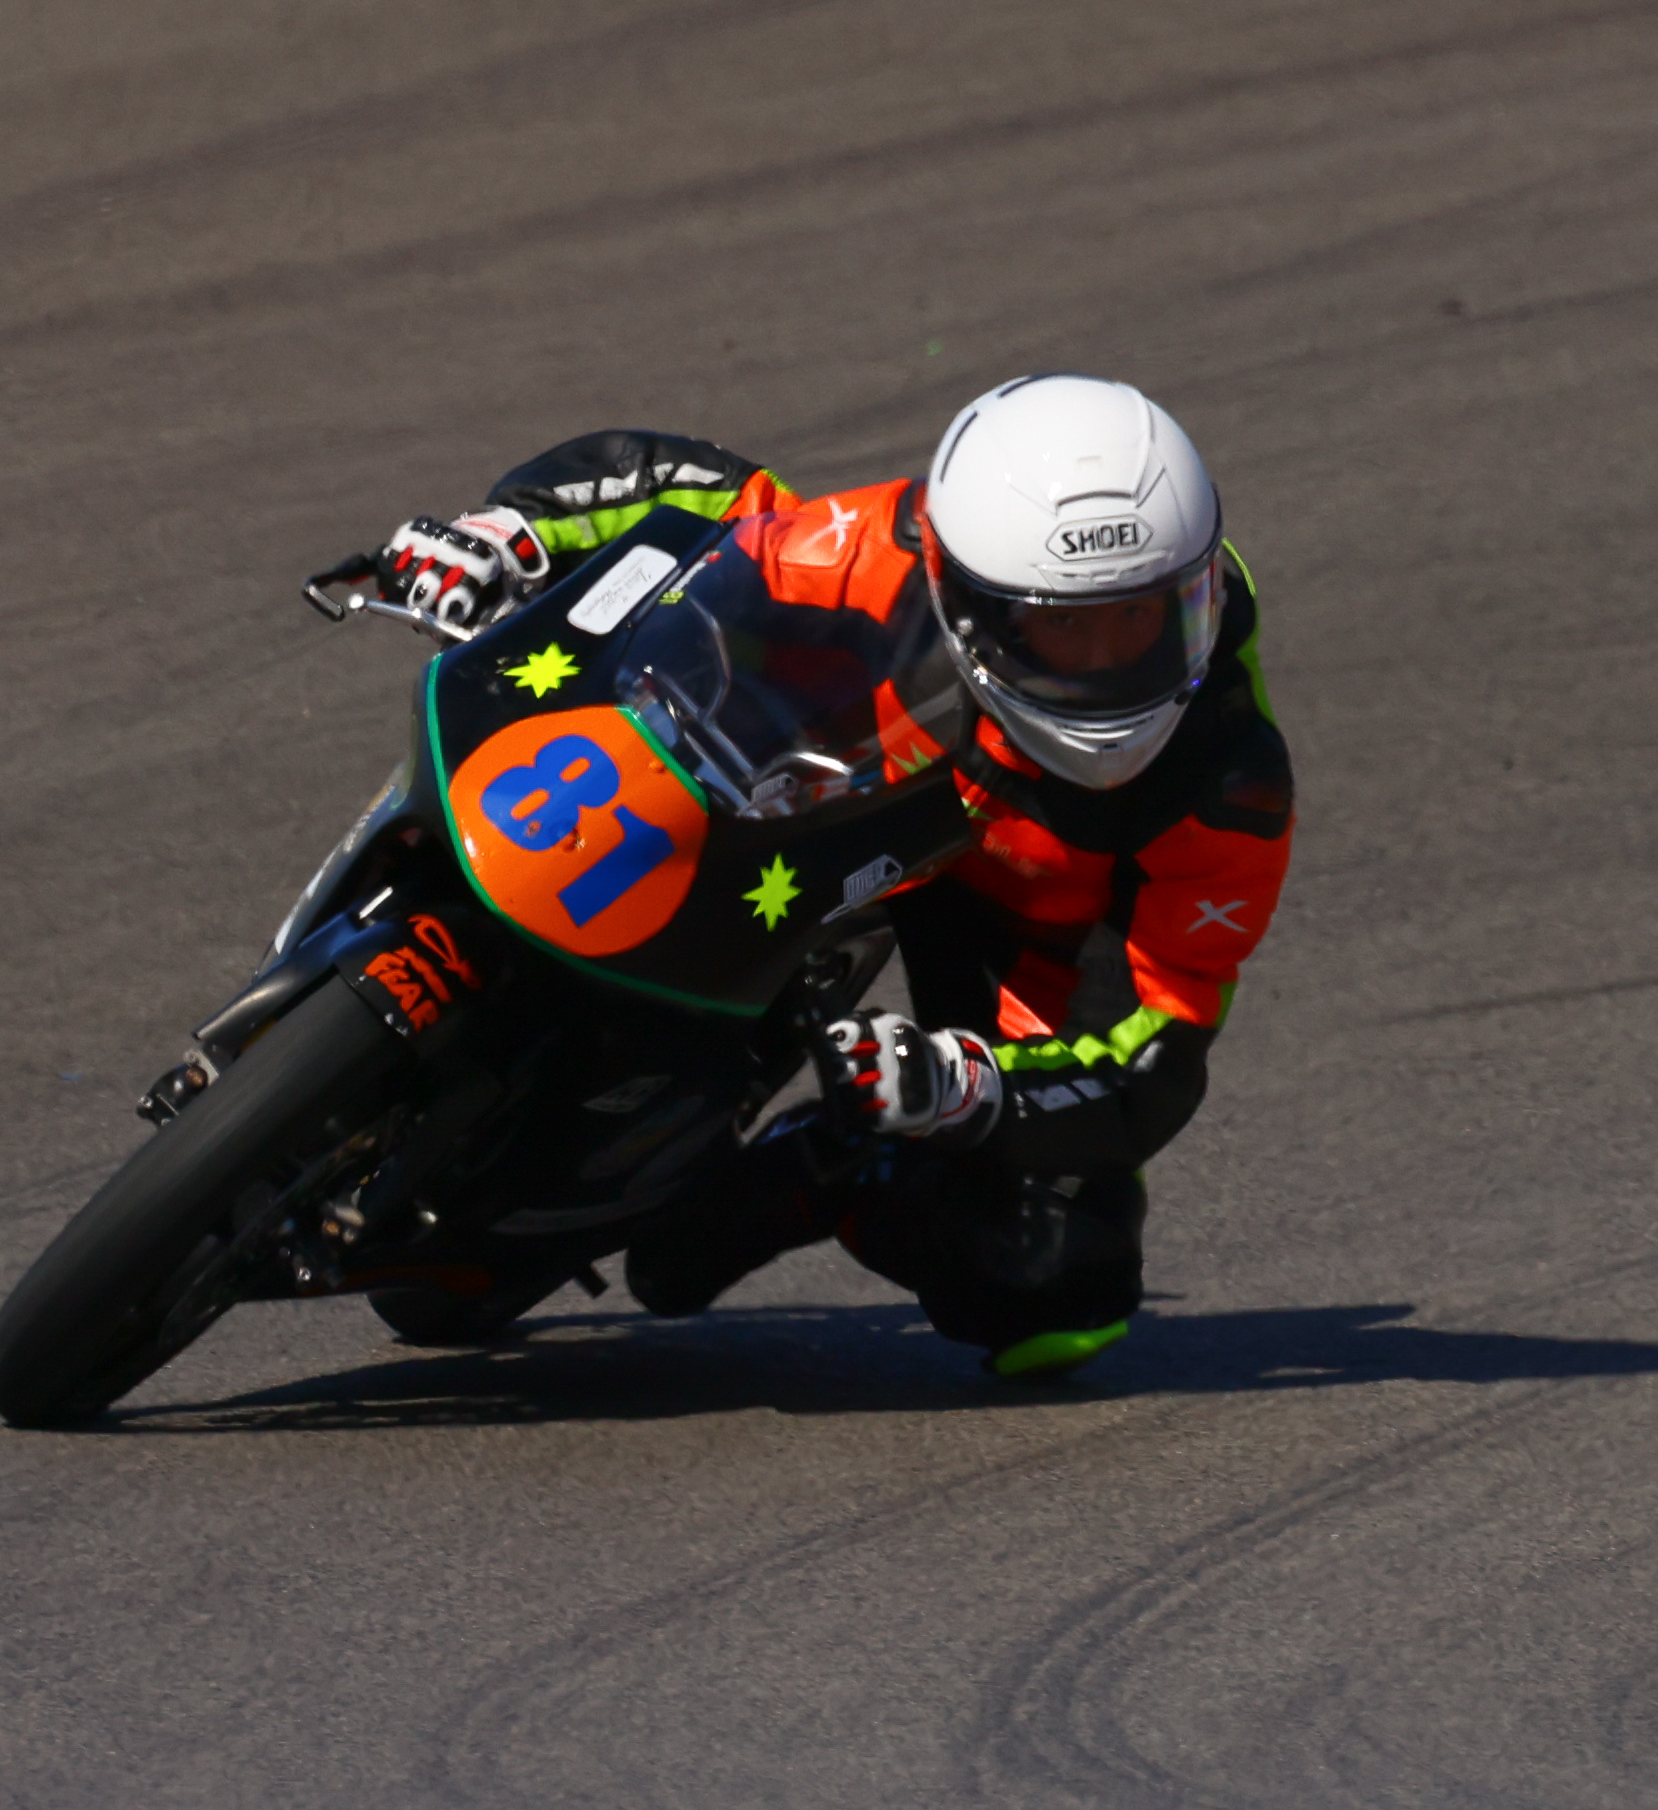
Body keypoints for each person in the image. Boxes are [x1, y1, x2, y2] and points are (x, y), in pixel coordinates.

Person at [373, 376, 1293, 1379]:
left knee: (1058, 1289)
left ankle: (834, 1166)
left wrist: (965, 1090)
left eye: (1140, 618)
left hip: (1026, 923)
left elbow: (1161, 1049)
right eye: (1064, 626)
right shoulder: (894, 547)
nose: (1107, 661)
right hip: (835, 790)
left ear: (1197, 591)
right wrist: (510, 532)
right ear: (965, 589)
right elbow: (718, 505)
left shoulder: (1227, 785)